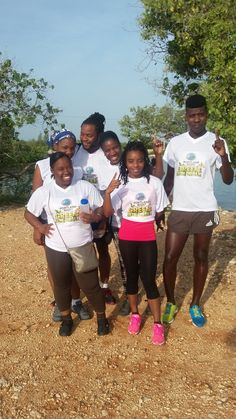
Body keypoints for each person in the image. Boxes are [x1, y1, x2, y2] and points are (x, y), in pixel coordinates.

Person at [162, 94, 234, 327]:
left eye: (200, 114)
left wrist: (223, 156)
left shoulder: (217, 143)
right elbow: (169, 178)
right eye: (192, 115)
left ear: (206, 115)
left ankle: (195, 304)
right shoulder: (175, 143)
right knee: (170, 257)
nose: (196, 119)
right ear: (186, 116)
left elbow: (228, 180)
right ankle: (171, 301)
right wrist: (159, 206)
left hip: (205, 209)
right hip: (180, 209)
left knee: (201, 256)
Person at [25, 152, 110, 337]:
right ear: (52, 172)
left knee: (91, 285)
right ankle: (66, 319)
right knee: (61, 285)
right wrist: (40, 226)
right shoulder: (45, 191)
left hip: (82, 245)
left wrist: (95, 216)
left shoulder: (84, 187)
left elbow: (101, 208)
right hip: (56, 247)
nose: (66, 172)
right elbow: (29, 213)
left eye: (69, 167)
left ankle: (102, 318)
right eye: (61, 169)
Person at [103, 141, 169, 345]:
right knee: (131, 278)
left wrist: (152, 216)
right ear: (125, 163)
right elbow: (107, 214)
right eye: (131, 161)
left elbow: (159, 209)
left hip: (147, 237)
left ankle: (158, 324)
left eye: (140, 160)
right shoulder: (121, 186)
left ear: (144, 162)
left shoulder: (154, 183)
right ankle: (135, 315)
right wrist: (108, 193)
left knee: (148, 279)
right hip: (127, 237)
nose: (136, 165)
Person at [32, 129, 90, 322]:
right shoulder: (42, 166)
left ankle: (75, 300)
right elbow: (35, 200)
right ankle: (60, 302)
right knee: (55, 267)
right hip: (50, 224)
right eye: (65, 147)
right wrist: (37, 227)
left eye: (73, 148)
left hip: (73, 223)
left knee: (74, 266)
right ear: (54, 146)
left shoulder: (77, 168)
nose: (69, 151)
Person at [75, 113, 116, 304]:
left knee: (102, 250)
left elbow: (111, 188)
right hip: (80, 213)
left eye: (89, 135)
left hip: (100, 213)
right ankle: (76, 291)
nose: (84, 138)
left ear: (98, 134)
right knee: (79, 251)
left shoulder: (105, 155)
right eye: (82, 134)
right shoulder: (76, 153)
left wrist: (104, 217)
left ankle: (105, 287)